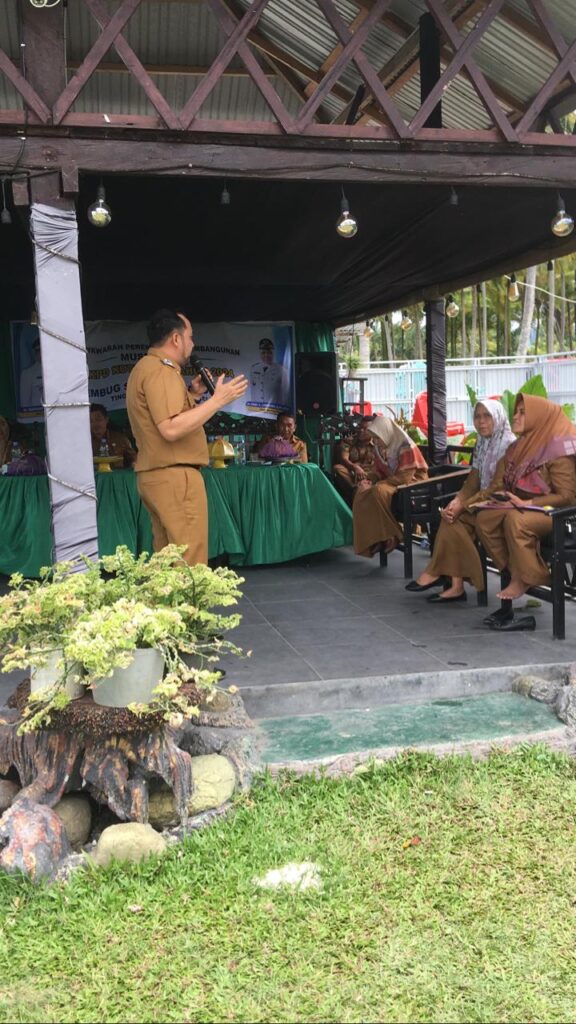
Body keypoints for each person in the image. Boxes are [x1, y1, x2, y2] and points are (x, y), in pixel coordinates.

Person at [126, 309, 248, 566]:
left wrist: (192, 395)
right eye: (190, 336)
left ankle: (169, 596)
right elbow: (170, 429)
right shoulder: (161, 370)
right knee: (189, 561)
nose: (192, 344)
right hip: (175, 477)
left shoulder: (146, 367)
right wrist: (217, 401)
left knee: (168, 562)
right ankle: (188, 596)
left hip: (159, 474)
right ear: (176, 338)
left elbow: (162, 419)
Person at [405, 399, 516, 602]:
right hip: (482, 504)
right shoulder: (483, 443)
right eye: (477, 416)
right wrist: (456, 502)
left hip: (502, 507)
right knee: (450, 519)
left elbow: (496, 489)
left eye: (487, 416)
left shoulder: (509, 446)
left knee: (455, 519)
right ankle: (455, 586)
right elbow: (473, 480)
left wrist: (463, 506)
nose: (481, 421)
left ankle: (438, 573)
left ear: (498, 418)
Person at [474, 393, 576, 601]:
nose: (515, 417)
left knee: (516, 520)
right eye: (516, 412)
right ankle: (517, 571)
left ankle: (528, 577)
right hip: (523, 506)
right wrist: (501, 497)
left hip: (557, 513)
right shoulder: (518, 447)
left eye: (523, 413)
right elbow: (502, 480)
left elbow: (566, 496)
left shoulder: (557, 449)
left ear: (539, 417)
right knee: (485, 519)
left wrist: (528, 503)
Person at [352, 415, 428, 558]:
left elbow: (404, 477)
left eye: (377, 437)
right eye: (374, 438)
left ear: (385, 432)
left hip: (413, 484)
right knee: (361, 492)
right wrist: (367, 480)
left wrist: (377, 483)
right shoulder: (380, 446)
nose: (375, 441)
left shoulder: (405, 445)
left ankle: (393, 535)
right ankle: (375, 539)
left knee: (378, 491)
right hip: (393, 482)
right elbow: (378, 471)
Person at [333, 415, 387, 503]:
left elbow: (383, 463)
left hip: (370, 474)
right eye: (360, 427)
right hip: (352, 472)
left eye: (365, 429)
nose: (361, 430)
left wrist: (367, 474)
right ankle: (355, 489)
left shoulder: (379, 442)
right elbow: (344, 458)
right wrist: (355, 467)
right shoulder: (349, 440)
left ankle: (359, 490)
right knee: (338, 468)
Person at [247, 337, 289, 412]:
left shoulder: (282, 371)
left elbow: (286, 395)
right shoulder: (253, 369)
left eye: (269, 353)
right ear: (260, 354)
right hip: (256, 411)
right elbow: (251, 391)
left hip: (273, 412)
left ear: (273, 353)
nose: (266, 355)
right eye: (263, 353)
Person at [90, 403, 136, 467]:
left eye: (98, 419)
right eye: (90, 421)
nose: (95, 424)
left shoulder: (120, 439)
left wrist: (133, 463)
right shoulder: (84, 442)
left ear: (106, 420)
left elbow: (134, 459)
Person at [19, 338, 43, 410]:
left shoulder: (57, 371)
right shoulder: (28, 374)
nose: (40, 353)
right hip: (36, 414)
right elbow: (25, 403)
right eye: (38, 351)